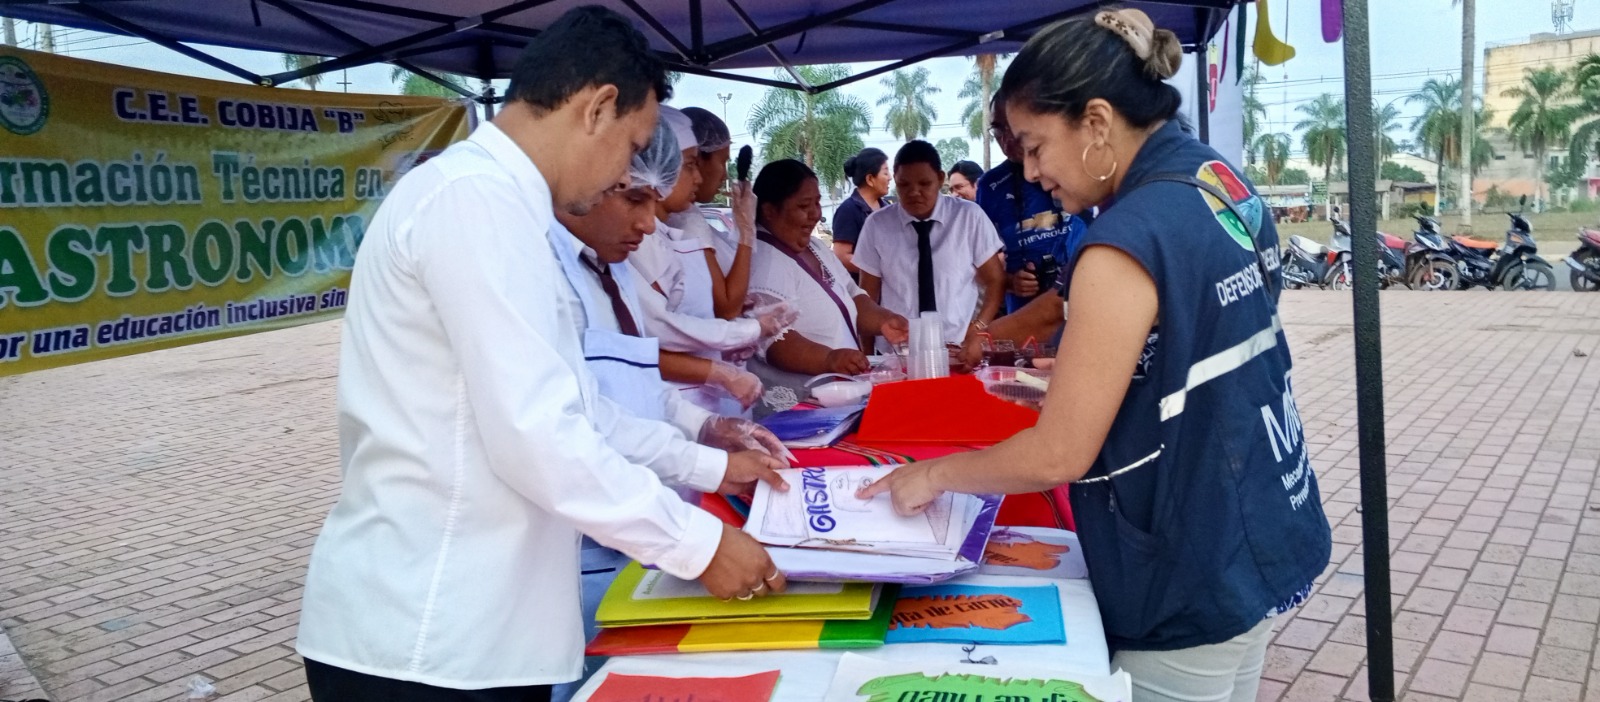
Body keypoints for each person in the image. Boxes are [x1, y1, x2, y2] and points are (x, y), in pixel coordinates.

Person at [296, 9, 786, 701]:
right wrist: (696, 543)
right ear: (598, 109)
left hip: (475, 637)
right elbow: (538, 436)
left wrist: (710, 467)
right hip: (426, 638)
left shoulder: (506, 208)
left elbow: (581, 408)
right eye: (633, 146)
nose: (630, 171)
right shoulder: (475, 202)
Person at [860, 10, 1331, 702]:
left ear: (1099, 123)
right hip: (1261, 513)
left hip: (1185, 561)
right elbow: (1214, 330)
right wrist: (1106, 370)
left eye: (1034, 144)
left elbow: (1059, 456)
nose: (1028, 169)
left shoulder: (1120, 243)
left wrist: (933, 476)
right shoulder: (1219, 181)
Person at [630, 107, 794, 415]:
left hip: (708, 404)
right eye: (691, 165)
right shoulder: (643, 242)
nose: (700, 177)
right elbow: (662, 331)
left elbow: (701, 311)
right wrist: (749, 330)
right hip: (679, 407)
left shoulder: (671, 232)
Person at [747, 160, 909, 411]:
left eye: (816, 202)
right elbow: (774, 340)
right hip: (802, 404)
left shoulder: (815, 246)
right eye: (803, 205)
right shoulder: (763, 261)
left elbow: (853, 295)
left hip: (841, 396)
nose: (815, 213)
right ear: (769, 211)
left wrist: (883, 321)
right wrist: (829, 358)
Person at [852, 141, 1005, 349]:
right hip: (897, 354)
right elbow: (867, 297)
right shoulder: (877, 225)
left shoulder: (968, 217)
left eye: (924, 184)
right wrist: (868, 358)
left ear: (940, 179)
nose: (914, 192)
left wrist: (978, 328)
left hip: (958, 348)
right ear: (895, 181)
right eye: (904, 185)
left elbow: (995, 281)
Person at [977, 100, 1089, 313]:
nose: (1005, 140)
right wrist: (1010, 281)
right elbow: (978, 263)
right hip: (1026, 315)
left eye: (1010, 127)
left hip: (1085, 300)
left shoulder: (1077, 166)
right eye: (997, 130)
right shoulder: (990, 186)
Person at [831, 147, 891, 273]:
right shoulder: (849, 210)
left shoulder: (886, 208)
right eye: (885, 173)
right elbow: (842, 256)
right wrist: (880, 270)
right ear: (870, 179)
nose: (890, 177)